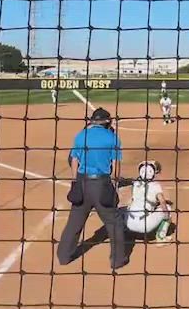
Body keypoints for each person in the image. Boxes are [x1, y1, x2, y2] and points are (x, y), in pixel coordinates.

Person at [57, 108, 128, 269]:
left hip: (82, 182)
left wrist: (75, 182)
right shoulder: (113, 138)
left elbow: (74, 160)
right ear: (107, 122)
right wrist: (114, 184)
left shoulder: (81, 135)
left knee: (74, 222)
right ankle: (117, 261)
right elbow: (116, 166)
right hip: (102, 184)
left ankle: (63, 256)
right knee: (114, 223)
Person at [124, 160, 174, 242]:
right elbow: (162, 202)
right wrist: (167, 217)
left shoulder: (135, 184)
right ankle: (161, 237)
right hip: (145, 226)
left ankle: (126, 232)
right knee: (167, 208)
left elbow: (132, 200)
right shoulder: (155, 185)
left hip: (129, 224)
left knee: (126, 209)